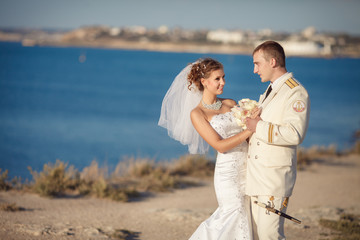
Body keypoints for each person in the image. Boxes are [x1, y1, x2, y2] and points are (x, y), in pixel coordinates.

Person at [159, 58, 254, 239]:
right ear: (204, 82)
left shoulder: (231, 103)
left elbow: (249, 140)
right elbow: (219, 146)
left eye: (224, 77)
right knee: (234, 214)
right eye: (217, 79)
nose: (223, 82)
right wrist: (250, 130)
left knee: (249, 215)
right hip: (228, 174)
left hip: (248, 168)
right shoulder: (197, 114)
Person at [245, 41, 310, 240]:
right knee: (257, 235)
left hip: (274, 180)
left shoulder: (295, 91)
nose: (255, 70)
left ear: (272, 61)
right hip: (258, 177)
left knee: (270, 236)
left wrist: (258, 126)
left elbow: (294, 134)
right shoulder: (270, 90)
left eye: (257, 64)